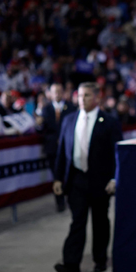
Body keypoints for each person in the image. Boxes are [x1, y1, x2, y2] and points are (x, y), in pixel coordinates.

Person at [52, 82, 122, 272]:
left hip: (100, 181)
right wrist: (58, 178)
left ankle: (100, 260)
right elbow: (62, 153)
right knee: (77, 221)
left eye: (87, 96)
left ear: (97, 98)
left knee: (100, 222)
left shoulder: (109, 121)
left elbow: (118, 154)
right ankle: (71, 264)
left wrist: (114, 179)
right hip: (76, 180)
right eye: (80, 96)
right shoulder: (68, 120)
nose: (82, 100)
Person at [39, 83, 76, 212]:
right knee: (56, 175)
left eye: (59, 91)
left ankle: (70, 198)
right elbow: (42, 128)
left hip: (68, 147)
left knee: (69, 173)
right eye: (54, 91)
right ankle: (59, 202)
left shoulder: (71, 107)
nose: (57, 94)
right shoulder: (46, 109)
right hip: (52, 148)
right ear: (50, 93)